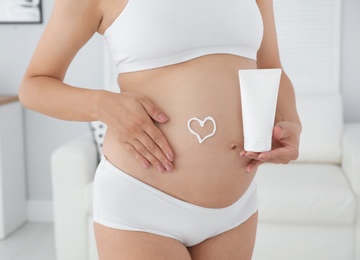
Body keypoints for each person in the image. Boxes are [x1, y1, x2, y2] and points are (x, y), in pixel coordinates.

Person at [19, 0, 302, 259]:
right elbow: (33, 86)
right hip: (141, 201)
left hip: (236, 209)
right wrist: (103, 104)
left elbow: (271, 68)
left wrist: (292, 123)